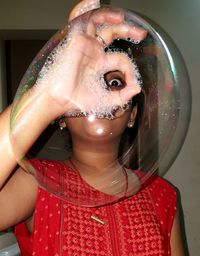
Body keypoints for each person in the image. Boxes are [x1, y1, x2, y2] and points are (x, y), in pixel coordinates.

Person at [0, 0, 186, 255]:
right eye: (86, 83)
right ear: (62, 118)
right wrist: (50, 97)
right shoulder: (37, 182)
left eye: (114, 82)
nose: (97, 93)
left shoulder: (163, 194)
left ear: (131, 115)